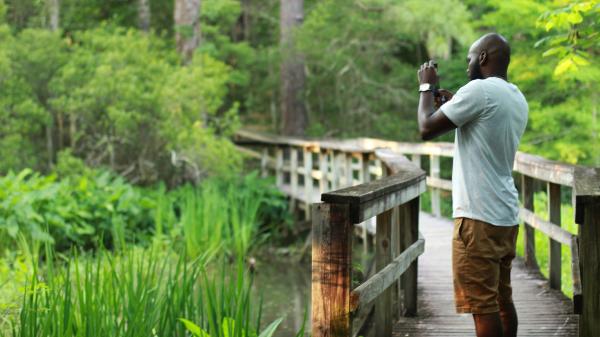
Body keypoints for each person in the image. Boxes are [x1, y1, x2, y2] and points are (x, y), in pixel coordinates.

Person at [415, 33, 528, 337]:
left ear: (482, 58)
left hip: (476, 218)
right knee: (502, 299)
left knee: (482, 306)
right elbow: (485, 121)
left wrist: (427, 86)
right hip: (504, 215)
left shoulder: (478, 90)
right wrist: (455, 102)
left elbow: (425, 127)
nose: (466, 66)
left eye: (469, 58)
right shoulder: (516, 96)